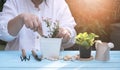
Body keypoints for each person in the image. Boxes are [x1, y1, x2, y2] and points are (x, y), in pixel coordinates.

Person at [0, 0, 76, 50]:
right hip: (18, 62)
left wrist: (65, 34)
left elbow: (72, 37)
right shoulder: (14, 2)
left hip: (51, 63)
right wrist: (20, 19)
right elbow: (3, 34)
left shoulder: (59, 3)